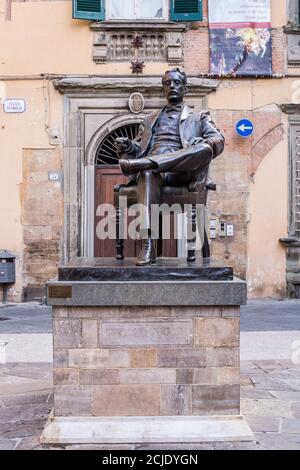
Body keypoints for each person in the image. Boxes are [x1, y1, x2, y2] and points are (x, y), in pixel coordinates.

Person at [114, 68, 225, 266]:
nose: (171, 86)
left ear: (185, 88)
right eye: (167, 83)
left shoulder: (199, 117)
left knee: (204, 149)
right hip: (154, 173)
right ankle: (147, 245)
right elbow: (139, 146)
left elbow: (218, 140)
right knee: (148, 172)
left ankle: (141, 165)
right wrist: (128, 146)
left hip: (181, 171)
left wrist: (204, 142)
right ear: (163, 88)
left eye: (176, 83)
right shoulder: (149, 119)